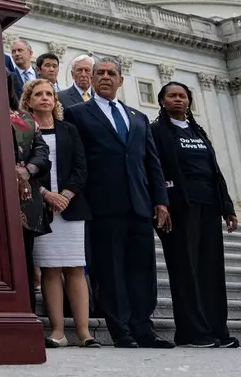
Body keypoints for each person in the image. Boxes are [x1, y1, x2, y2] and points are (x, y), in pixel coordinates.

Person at [63, 56, 172, 349]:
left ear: (121, 81)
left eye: (111, 73)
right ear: (92, 78)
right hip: (103, 206)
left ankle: (144, 329)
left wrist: (160, 200)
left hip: (139, 205)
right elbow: (76, 160)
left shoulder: (137, 117)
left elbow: (152, 162)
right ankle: (120, 330)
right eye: (100, 73)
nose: (105, 77)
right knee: (111, 270)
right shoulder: (76, 114)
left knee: (142, 270)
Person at [151, 81, 239, 349]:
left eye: (182, 95)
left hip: (208, 206)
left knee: (211, 271)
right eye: (172, 96)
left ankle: (217, 330)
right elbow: (155, 169)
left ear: (189, 101)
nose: (178, 99)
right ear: (162, 101)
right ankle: (191, 332)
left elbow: (214, 169)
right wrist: (160, 203)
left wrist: (227, 207)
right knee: (185, 270)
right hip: (178, 209)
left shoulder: (198, 132)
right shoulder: (156, 131)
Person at [20, 78, 95, 348]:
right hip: (41, 209)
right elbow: (22, 169)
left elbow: (81, 167)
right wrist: (46, 195)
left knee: (75, 268)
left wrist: (65, 195)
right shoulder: (24, 131)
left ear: (55, 100)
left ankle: (84, 332)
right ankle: (58, 332)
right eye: (38, 94)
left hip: (71, 207)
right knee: (50, 270)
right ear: (28, 101)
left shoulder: (69, 130)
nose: (45, 98)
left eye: (49, 93)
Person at [9, 84, 50, 316]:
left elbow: (42, 151)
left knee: (24, 257)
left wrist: (28, 170)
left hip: (24, 199)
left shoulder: (25, 117)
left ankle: (27, 315)